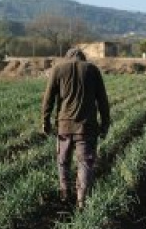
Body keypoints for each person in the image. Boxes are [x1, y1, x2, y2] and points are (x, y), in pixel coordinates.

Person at [41, 48, 110, 210]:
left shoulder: (58, 69)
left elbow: (48, 98)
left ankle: (64, 194)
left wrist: (46, 121)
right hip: (86, 127)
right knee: (85, 163)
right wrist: (105, 123)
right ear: (83, 57)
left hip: (64, 126)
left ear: (67, 57)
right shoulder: (92, 70)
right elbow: (103, 101)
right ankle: (82, 201)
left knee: (63, 161)